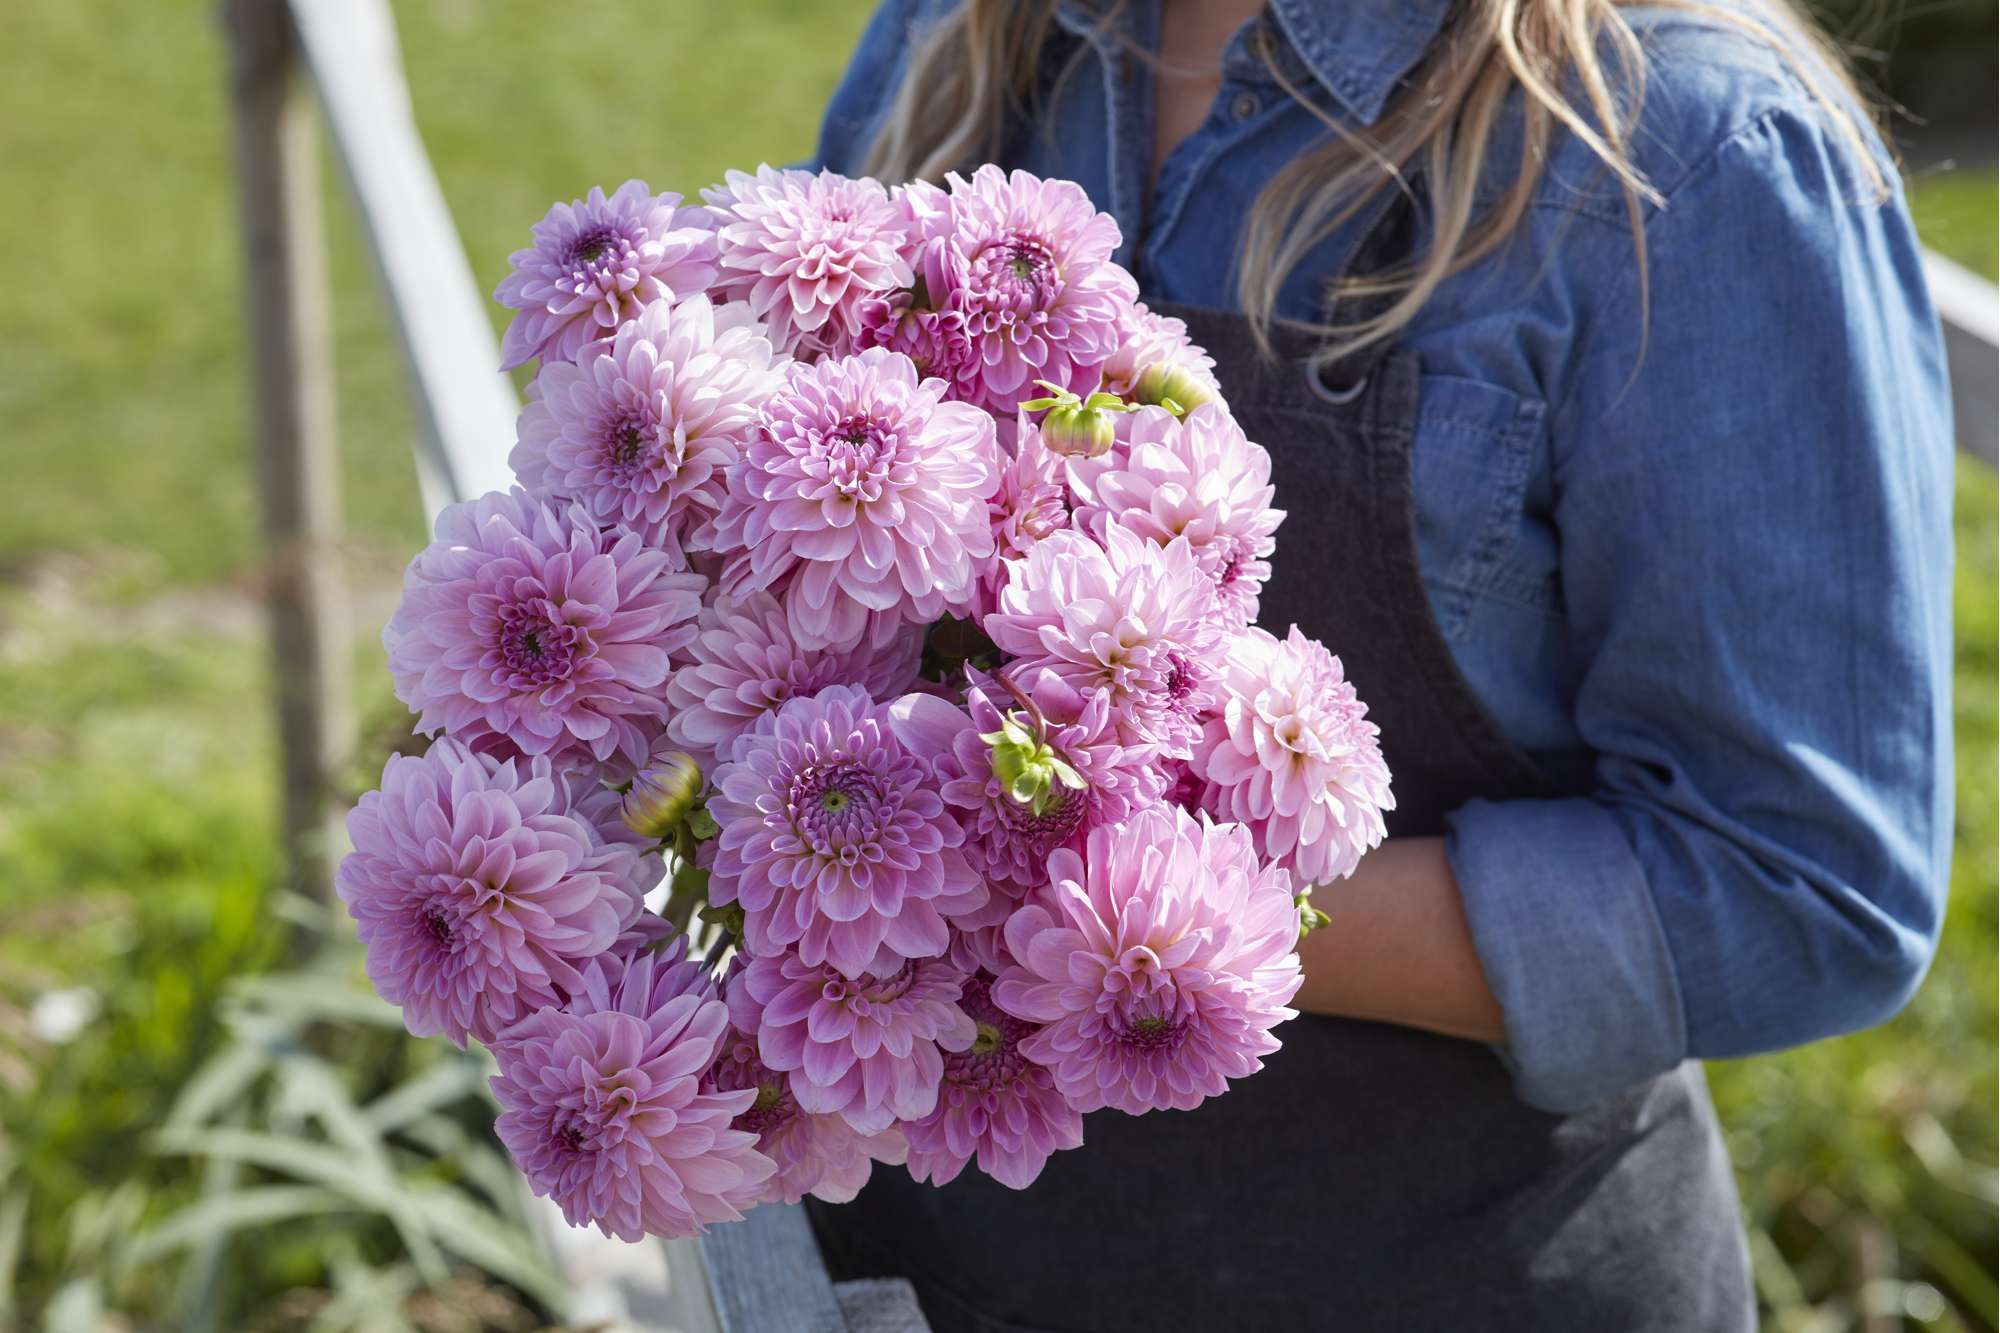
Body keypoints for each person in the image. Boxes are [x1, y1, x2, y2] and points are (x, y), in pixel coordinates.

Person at [806, 1, 1955, 1328]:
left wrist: (1087, 919)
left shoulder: (1683, 151)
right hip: (917, 1275)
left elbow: (1802, 884)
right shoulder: (962, 40)